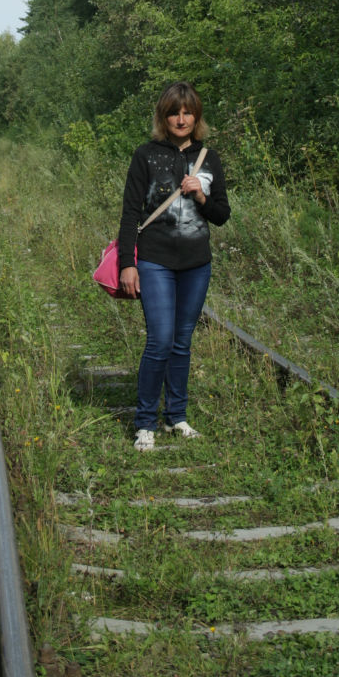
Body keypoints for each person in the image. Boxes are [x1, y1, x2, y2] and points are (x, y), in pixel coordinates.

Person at [117, 81, 231, 451]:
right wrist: (127, 265)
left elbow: (221, 215)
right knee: (160, 340)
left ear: (196, 116)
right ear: (163, 117)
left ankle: (177, 416)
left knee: (182, 343)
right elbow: (130, 213)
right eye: (173, 112)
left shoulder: (209, 158)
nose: (180, 119)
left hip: (196, 264)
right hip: (155, 262)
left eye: (187, 112)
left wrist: (200, 194)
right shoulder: (146, 155)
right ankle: (145, 422)